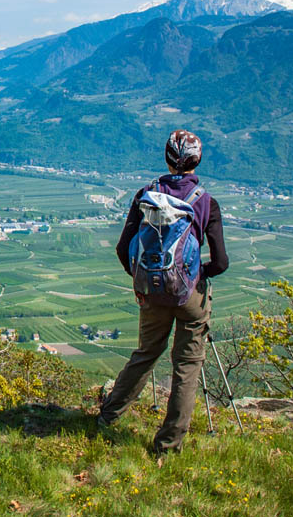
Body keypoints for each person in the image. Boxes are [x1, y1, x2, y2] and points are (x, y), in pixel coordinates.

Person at [96, 128, 229, 454]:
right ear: (197, 161)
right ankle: (168, 445)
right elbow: (221, 261)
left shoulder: (146, 194)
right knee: (186, 365)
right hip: (190, 296)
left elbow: (122, 248)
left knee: (145, 355)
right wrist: (198, 276)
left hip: (152, 293)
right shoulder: (205, 202)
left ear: (167, 159)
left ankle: (108, 417)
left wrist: (144, 280)